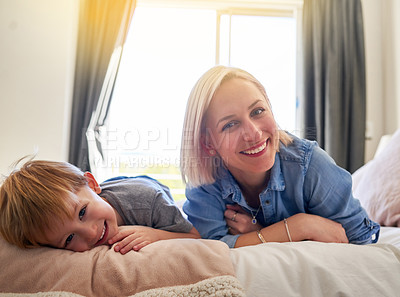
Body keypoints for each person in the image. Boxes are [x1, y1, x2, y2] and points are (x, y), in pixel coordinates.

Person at [180, 65, 380, 248]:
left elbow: (359, 240)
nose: (254, 134)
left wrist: (256, 236)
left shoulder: (309, 165)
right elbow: (212, 247)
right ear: (208, 144)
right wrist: (299, 227)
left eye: (257, 111)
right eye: (230, 124)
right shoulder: (206, 180)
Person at [0, 159, 200, 254]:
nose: (90, 233)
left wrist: (154, 235)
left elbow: (196, 236)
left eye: (82, 213)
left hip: (146, 185)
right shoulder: (82, 201)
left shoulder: (149, 202)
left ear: (92, 184)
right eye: (69, 238)